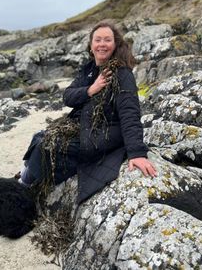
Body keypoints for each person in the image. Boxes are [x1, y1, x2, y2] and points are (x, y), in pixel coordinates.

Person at [18, 21, 157, 203]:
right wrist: (91, 89)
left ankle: (22, 185)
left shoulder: (122, 74)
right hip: (85, 126)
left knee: (46, 147)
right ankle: (26, 175)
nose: (102, 44)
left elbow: (130, 113)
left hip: (103, 134)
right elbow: (67, 96)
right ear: (91, 46)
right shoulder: (90, 69)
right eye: (97, 40)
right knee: (40, 136)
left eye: (107, 40)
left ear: (115, 45)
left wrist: (137, 153)